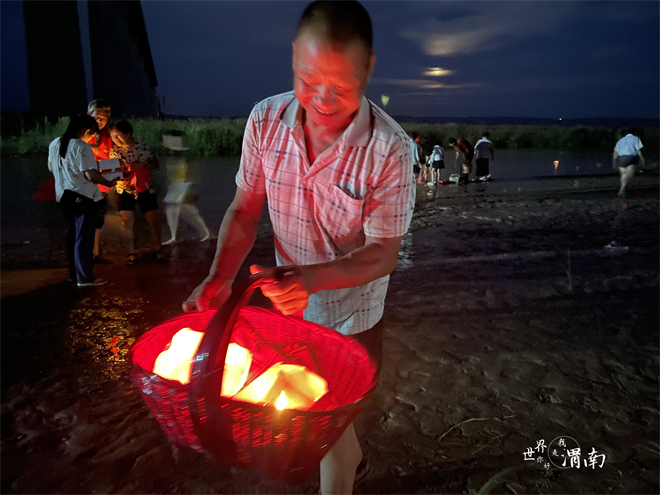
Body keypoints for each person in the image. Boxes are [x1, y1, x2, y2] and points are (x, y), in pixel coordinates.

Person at [184, 1, 415, 493]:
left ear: (369, 67)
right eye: (309, 80)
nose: (324, 99)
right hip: (288, 309)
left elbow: (383, 252)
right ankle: (352, 461)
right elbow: (245, 208)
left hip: (352, 316)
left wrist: (311, 279)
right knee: (328, 426)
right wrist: (221, 276)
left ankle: (345, 468)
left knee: (325, 428)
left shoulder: (390, 149)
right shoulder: (266, 121)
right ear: (293, 57)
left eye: (343, 85)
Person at [48, 115, 118, 287]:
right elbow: (90, 175)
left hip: (63, 197)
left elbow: (51, 167)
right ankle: (85, 278)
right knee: (84, 238)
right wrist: (109, 182)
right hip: (84, 198)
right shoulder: (81, 146)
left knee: (71, 237)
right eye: (92, 134)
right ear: (87, 131)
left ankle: (74, 275)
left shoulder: (55, 142)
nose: (92, 138)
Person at [109, 120, 165, 265]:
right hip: (124, 188)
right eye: (113, 137)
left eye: (118, 136)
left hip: (145, 187)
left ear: (128, 133)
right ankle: (131, 253)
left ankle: (158, 249)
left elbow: (155, 163)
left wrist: (142, 167)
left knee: (153, 219)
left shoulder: (142, 146)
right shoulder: (114, 150)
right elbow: (112, 172)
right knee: (126, 220)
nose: (116, 140)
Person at [161, 133, 211, 245]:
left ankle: (205, 233)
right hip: (174, 187)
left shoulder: (185, 161)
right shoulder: (170, 159)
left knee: (187, 211)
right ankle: (175, 236)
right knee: (174, 211)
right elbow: (169, 176)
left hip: (183, 186)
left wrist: (191, 189)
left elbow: (192, 176)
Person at [87, 99, 115, 264]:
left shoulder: (107, 132)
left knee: (98, 218)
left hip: (102, 183)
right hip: (85, 183)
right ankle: (85, 254)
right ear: (89, 114)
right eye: (97, 118)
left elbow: (110, 155)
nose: (100, 122)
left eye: (103, 119)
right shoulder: (80, 131)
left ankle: (95, 253)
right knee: (84, 218)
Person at [613, 128, 645, 198]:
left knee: (623, 175)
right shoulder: (636, 138)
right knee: (630, 174)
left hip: (621, 159)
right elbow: (638, 150)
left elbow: (615, 152)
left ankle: (622, 190)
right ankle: (622, 190)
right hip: (630, 158)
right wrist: (642, 159)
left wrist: (614, 161)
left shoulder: (620, 140)